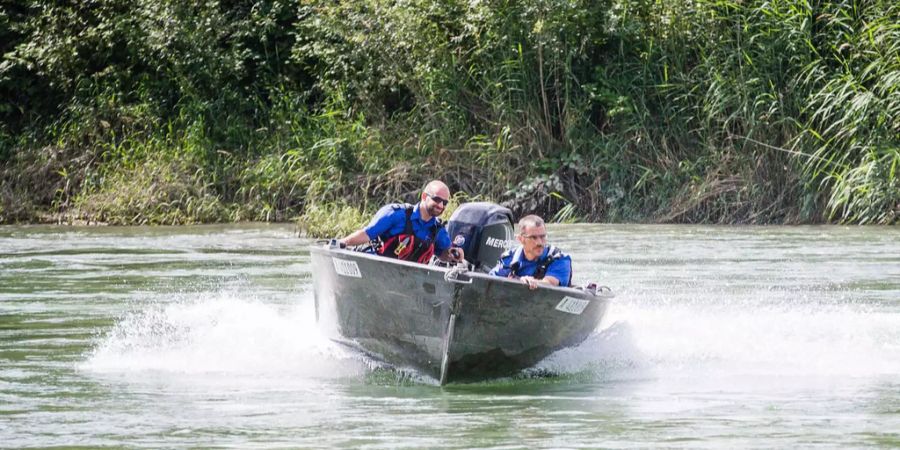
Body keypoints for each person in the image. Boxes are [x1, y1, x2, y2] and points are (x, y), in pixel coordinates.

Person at [339, 180, 466, 264]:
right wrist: (342, 243)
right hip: (376, 269)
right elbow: (366, 234)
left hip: (407, 284)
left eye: (445, 203)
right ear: (424, 197)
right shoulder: (396, 214)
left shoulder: (438, 230)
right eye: (437, 199)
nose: (440, 205)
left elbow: (443, 254)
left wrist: (453, 255)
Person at [489, 215, 572, 289]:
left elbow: (550, 284)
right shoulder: (508, 259)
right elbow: (490, 280)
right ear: (520, 239)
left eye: (542, 236)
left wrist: (529, 282)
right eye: (533, 237)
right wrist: (518, 281)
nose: (539, 242)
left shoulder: (559, 258)